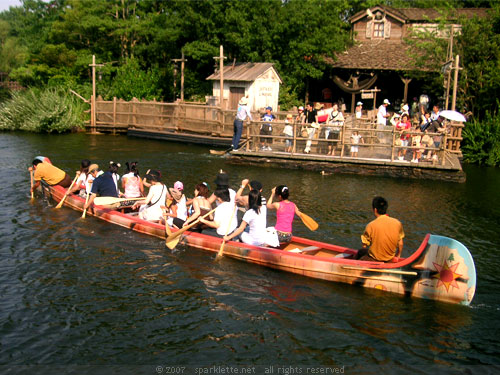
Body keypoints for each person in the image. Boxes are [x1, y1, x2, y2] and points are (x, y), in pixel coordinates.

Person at [355, 196, 404, 262]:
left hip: (375, 259)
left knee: (360, 252)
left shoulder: (371, 225)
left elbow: (364, 245)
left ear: (375, 210)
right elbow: (400, 243)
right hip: (389, 258)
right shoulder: (398, 223)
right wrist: (398, 255)